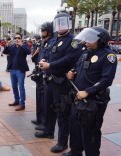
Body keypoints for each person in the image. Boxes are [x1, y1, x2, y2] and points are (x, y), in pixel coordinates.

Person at [62, 27, 117, 156]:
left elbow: (106, 80)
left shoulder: (108, 56)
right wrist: (71, 73)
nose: (86, 42)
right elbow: (78, 69)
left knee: (90, 130)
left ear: (101, 40)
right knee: (74, 126)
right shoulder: (86, 52)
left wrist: (88, 91)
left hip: (93, 100)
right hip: (78, 97)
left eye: (90, 39)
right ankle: (75, 151)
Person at [36, 12, 83, 153]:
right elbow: (46, 52)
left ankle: (62, 142)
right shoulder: (55, 38)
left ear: (68, 23)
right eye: (58, 23)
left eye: (63, 22)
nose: (61, 26)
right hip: (50, 81)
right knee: (48, 108)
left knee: (62, 113)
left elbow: (69, 59)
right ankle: (48, 130)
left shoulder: (73, 41)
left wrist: (50, 65)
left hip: (62, 83)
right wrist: (43, 60)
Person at [30, 22, 54, 131]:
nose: (41, 32)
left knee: (45, 101)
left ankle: (45, 122)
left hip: (46, 74)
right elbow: (36, 58)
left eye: (43, 30)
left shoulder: (52, 42)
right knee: (39, 99)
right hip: (39, 73)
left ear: (48, 31)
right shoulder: (42, 43)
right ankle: (40, 118)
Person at [3, 33, 31, 111]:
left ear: (21, 39)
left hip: (20, 70)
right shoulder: (12, 46)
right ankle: (16, 100)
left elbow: (29, 52)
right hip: (12, 69)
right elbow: (5, 52)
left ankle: (22, 104)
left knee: (21, 86)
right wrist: (7, 45)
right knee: (14, 86)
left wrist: (22, 45)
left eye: (18, 38)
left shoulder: (24, 46)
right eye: (15, 38)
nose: (17, 39)